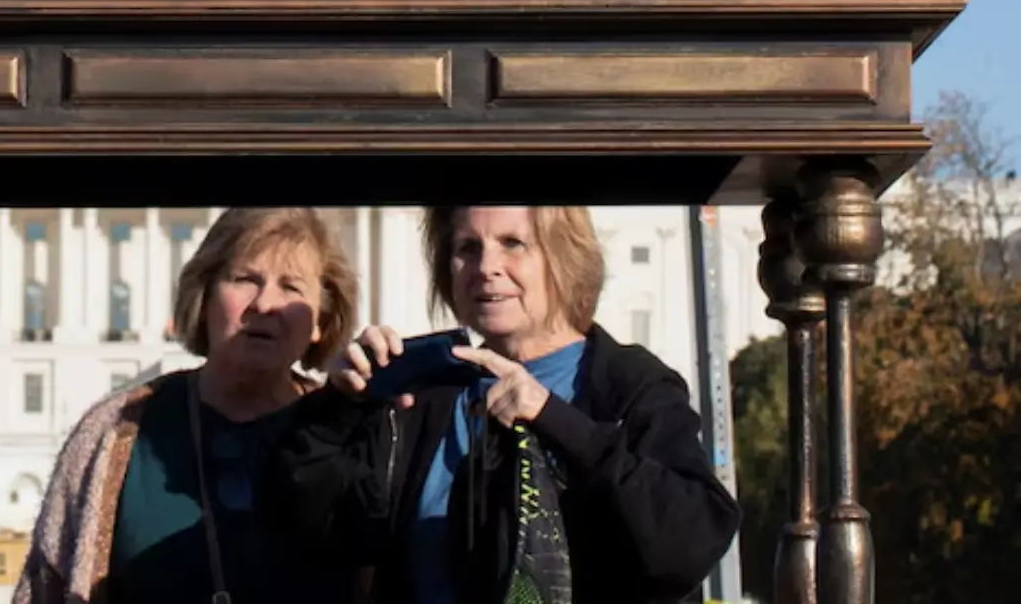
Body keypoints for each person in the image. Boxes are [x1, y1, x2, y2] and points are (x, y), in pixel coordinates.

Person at [261, 205, 741, 604]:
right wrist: (339, 408)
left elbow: (690, 540)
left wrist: (556, 418)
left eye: (513, 243)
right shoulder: (426, 390)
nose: (486, 266)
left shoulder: (627, 384)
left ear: (562, 258)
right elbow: (307, 528)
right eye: (467, 248)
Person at [13, 207, 362, 604]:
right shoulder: (114, 431)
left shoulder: (351, 432)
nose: (265, 304)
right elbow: (46, 587)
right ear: (205, 297)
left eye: (292, 287)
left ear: (321, 319)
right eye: (245, 279)